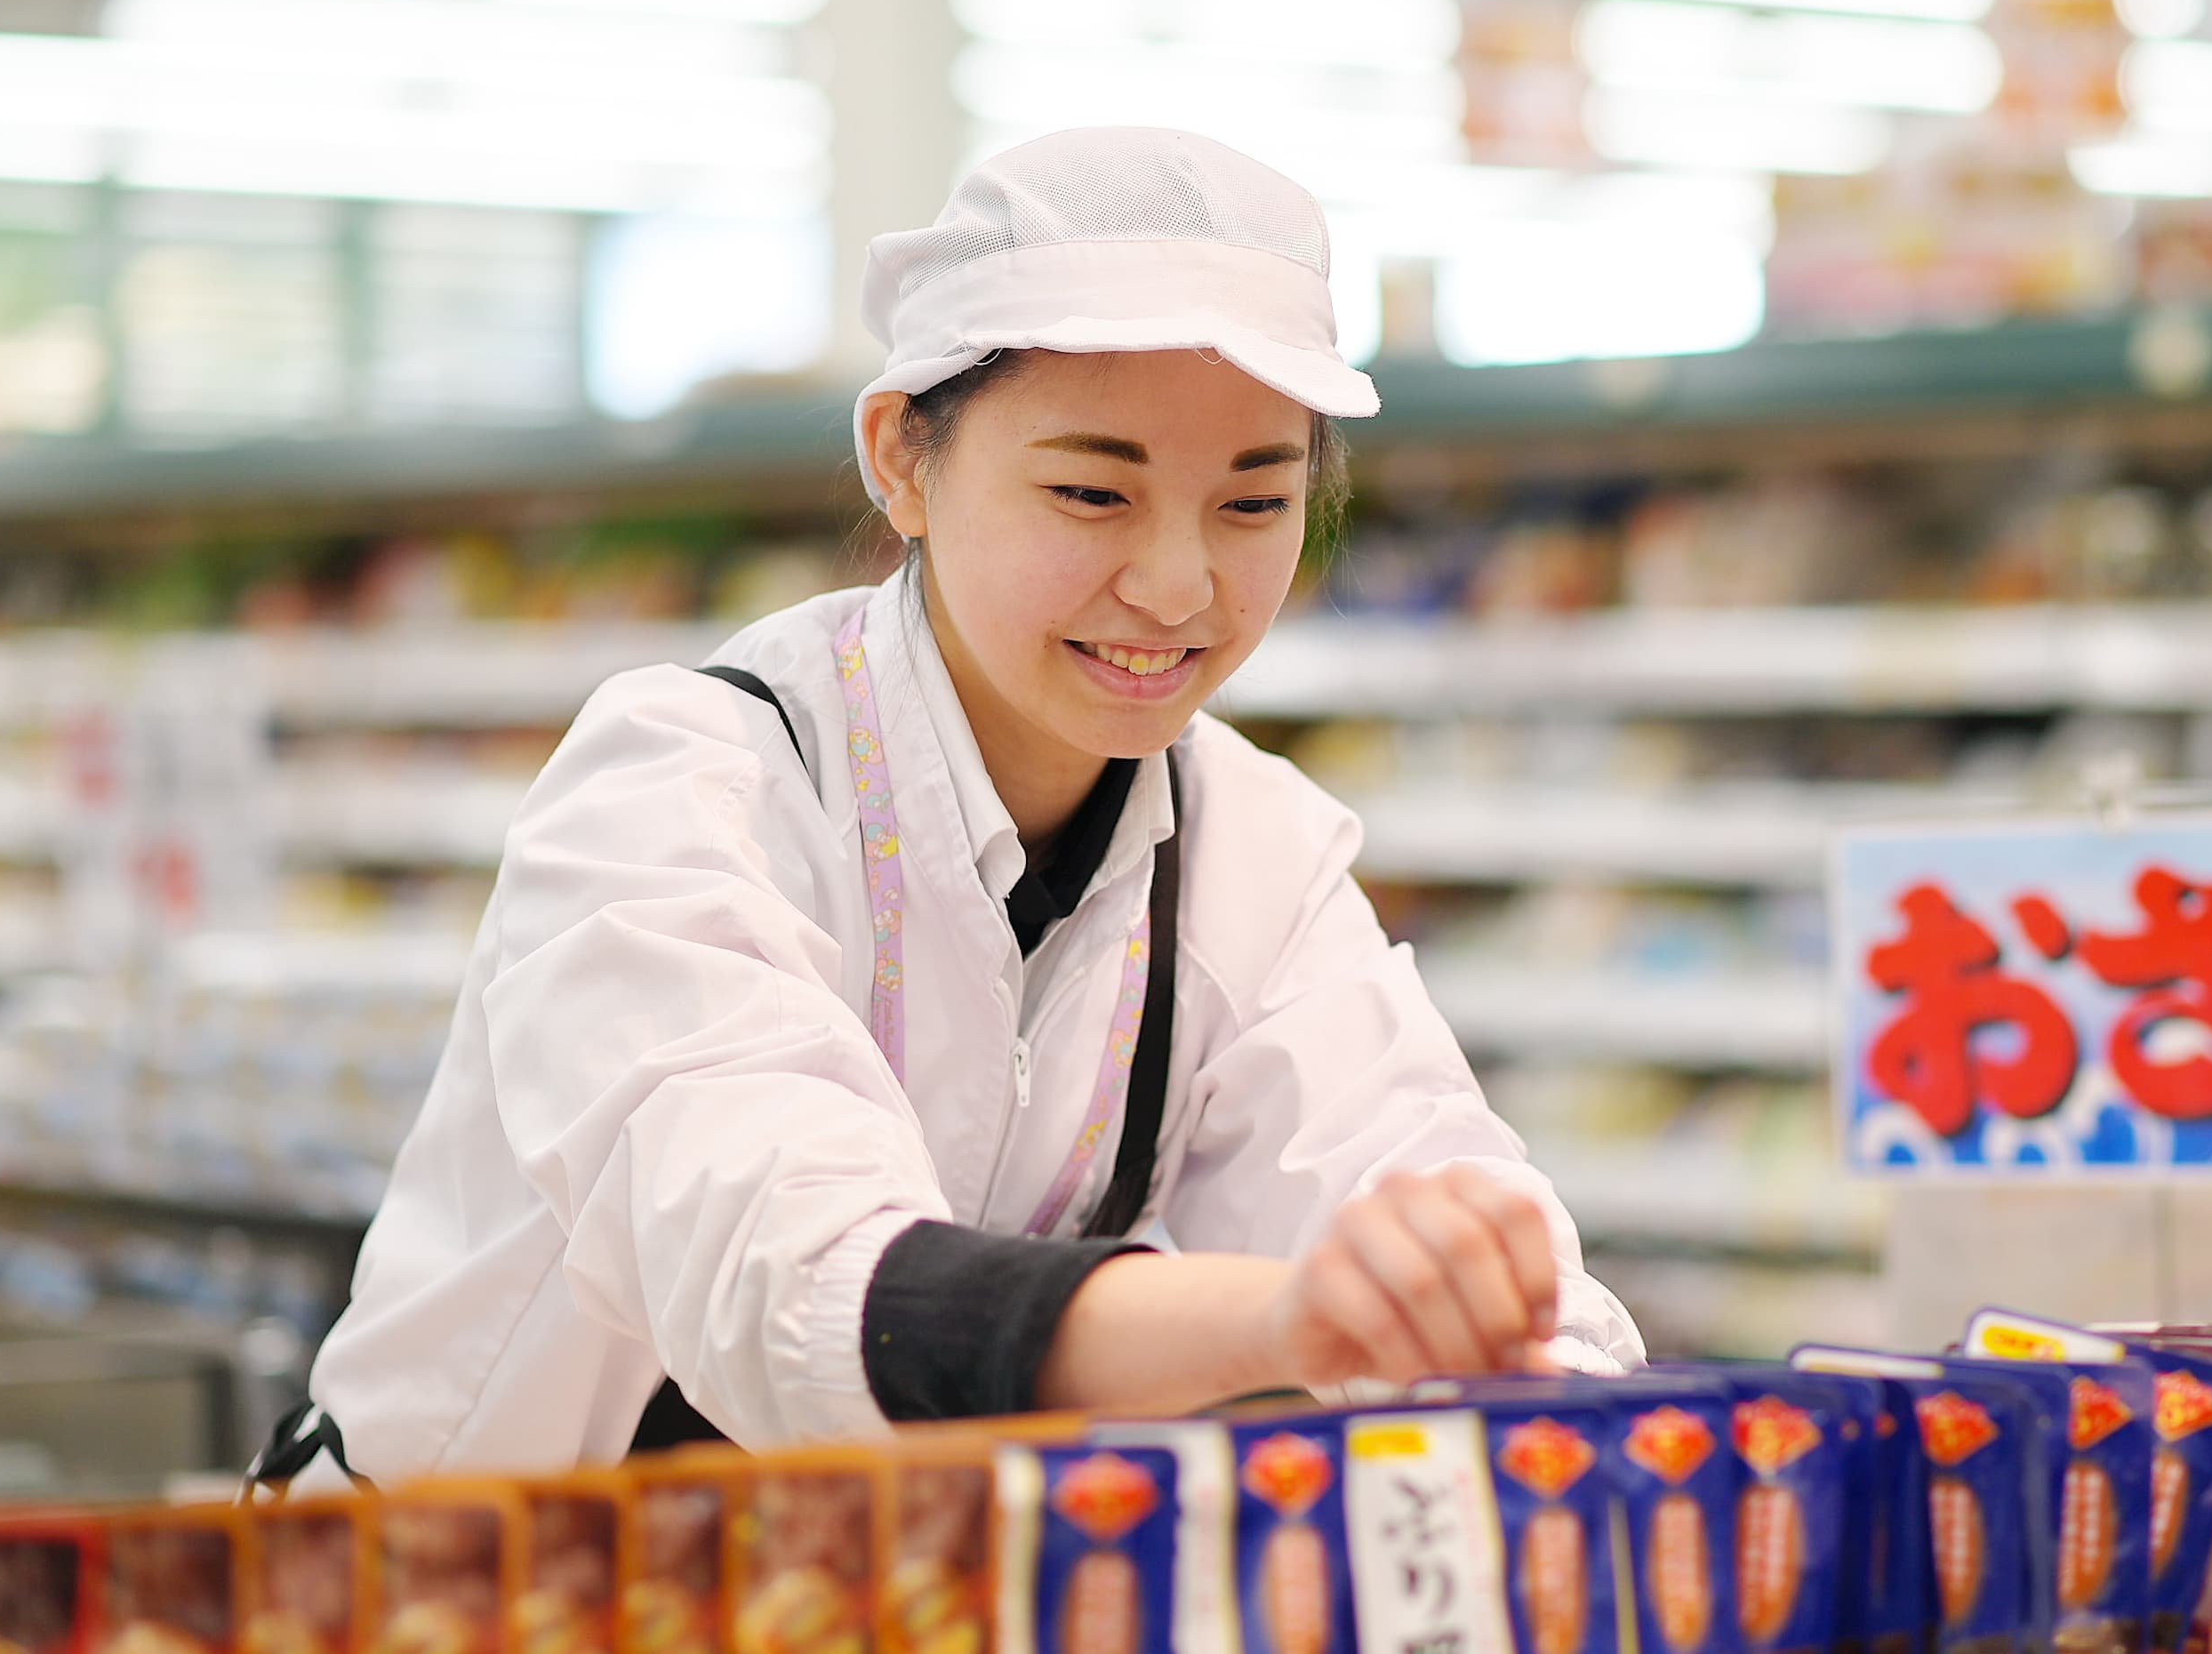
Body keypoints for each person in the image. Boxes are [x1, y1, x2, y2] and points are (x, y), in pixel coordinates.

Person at [280, 127, 1644, 1485]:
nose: (1177, 587)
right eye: (1092, 492)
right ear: (904, 460)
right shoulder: (689, 786)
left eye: (1253, 502)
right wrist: (1286, 1320)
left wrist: (1547, 1369)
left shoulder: (1253, 854)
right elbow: (784, 1281)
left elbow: (1413, 1172)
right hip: (450, 1593)